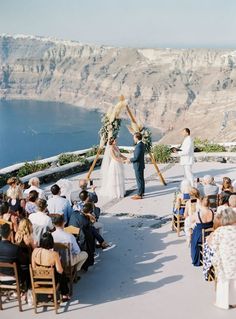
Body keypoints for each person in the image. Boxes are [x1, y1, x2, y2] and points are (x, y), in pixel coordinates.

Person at [31, 232, 70, 301]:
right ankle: (64, 294)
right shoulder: (54, 254)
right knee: (62, 273)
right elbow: (60, 270)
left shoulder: (35, 251)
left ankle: (50, 295)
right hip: (51, 281)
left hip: (38, 280)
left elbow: (33, 267)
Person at [211, 208, 236, 309]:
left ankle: (222, 303)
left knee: (223, 280)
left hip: (225, 260)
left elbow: (213, 245)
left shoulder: (219, 231)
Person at [191, 196, 214, 266]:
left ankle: (197, 259)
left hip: (200, 236)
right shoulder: (212, 211)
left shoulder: (198, 213)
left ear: (201, 203)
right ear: (209, 203)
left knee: (193, 237)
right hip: (210, 235)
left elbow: (191, 220)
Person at [127, 132, 145, 200]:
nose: (133, 138)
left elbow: (136, 158)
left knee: (139, 180)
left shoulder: (138, 146)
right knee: (141, 179)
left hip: (138, 165)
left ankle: (139, 195)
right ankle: (142, 192)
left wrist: (129, 160)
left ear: (137, 138)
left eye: (134, 137)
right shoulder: (142, 144)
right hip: (141, 165)